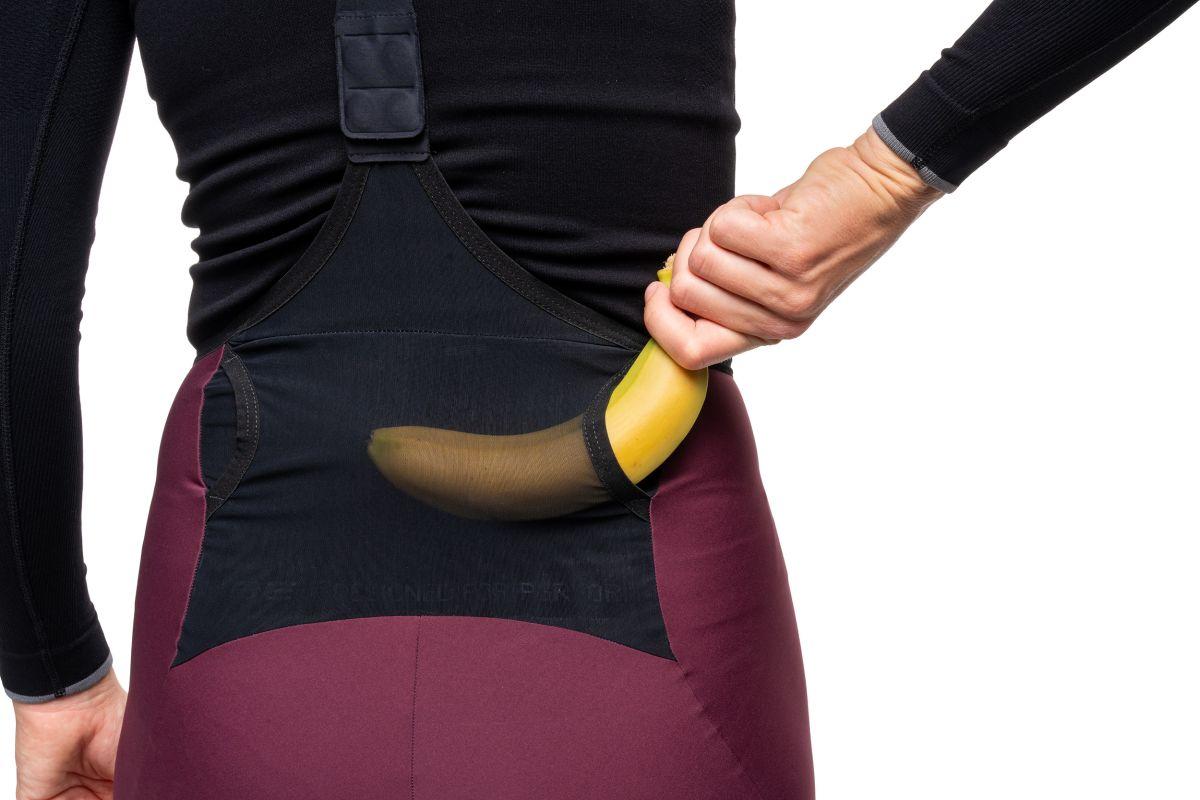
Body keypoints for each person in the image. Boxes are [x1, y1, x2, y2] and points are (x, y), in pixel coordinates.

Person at [1, 0, 1193, 797]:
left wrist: (53, 667)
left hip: (243, 638)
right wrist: (887, 172)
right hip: (645, 605)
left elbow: (13, 282)